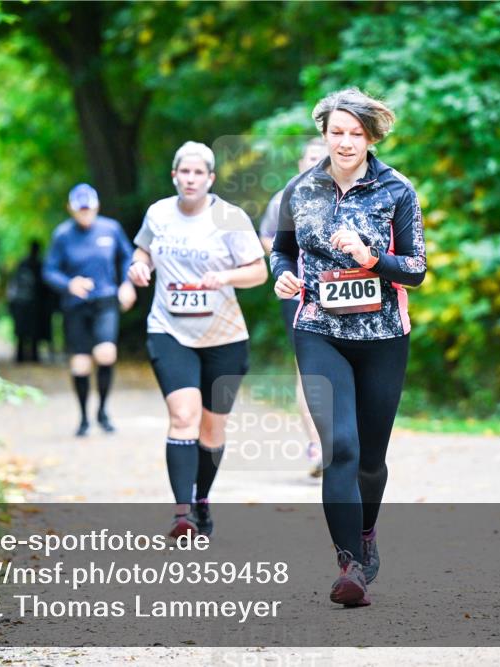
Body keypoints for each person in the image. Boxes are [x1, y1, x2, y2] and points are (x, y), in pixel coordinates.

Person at [271, 88, 426, 607]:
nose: (345, 142)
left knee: (370, 460)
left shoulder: (397, 189)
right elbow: (281, 251)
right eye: (336, 132)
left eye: (355, 134)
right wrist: (282, 276)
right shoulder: (300, 189)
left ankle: (365, 533)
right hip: (318, 329)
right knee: (340, 446)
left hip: (383, 336)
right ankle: (349, 565)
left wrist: (371, 257)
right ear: (323, 133)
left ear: (370, 138)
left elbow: (416, 269)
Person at [128, 141, 267, 539]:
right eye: (184, 172)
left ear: (211, 178)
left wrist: (225, 277)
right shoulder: (158, 213)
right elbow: (142, 253)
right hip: (170, 330)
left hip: (225, 337)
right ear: (174, 176)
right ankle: (182, 514)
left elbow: (258, 272)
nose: (190, 179)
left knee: (211, 430)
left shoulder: (230, 218)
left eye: (198, 173)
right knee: (183, 416)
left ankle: (202, 500)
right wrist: (138, 268)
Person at [259, 138, 328, 478]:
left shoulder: (347, 196)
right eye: (311, 157)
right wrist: (291, 258)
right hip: (298, 293)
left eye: (322, 158)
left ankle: (344, 442)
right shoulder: (284, 197)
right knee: (308, 369)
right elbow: (267, 238)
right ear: (300, 162)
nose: (316, 163)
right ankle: (317, 446)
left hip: (340, 293)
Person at [44, 184, 136, 436]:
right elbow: (49, 270)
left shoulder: (111, 229)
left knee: (106, 353)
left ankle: (103, 411)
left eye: (89, 208)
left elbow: (127, 257)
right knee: (81, 364)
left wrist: (126, 284)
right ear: (71, 209)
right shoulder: (62, 235)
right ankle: (84, 417)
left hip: (105, 300)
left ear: (96, 207)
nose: (85, 213)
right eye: (80, 209)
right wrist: (69, 284)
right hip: (76, 306)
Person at [7, 240, 51, 363]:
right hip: (31, 302)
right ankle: (29, 356)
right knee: (30, 330)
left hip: (27, 302)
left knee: (26, 330)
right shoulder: (38, 264)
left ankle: (23, 356)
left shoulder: (26, 263)